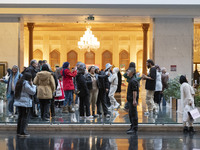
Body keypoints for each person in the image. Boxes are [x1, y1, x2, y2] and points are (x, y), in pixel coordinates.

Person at [14, 72, 36, 137]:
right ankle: (23, 131)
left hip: (19, 102)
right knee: (25, 117)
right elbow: (32, 92)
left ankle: (19, 131)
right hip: (25, 103)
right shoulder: (26, 84)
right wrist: (33, 85)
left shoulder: (19, 82)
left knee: (20, 116)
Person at [126, 67, 139, 134]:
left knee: (133, 114)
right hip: (130, 100)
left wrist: (134, 100)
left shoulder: (133, 81)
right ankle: (132, 126)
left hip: (132, 100)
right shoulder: (131, 80)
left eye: (128, 71)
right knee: (131, 114)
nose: (127, 73)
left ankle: (134, 128)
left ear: (132, 72)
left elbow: (135, 91)